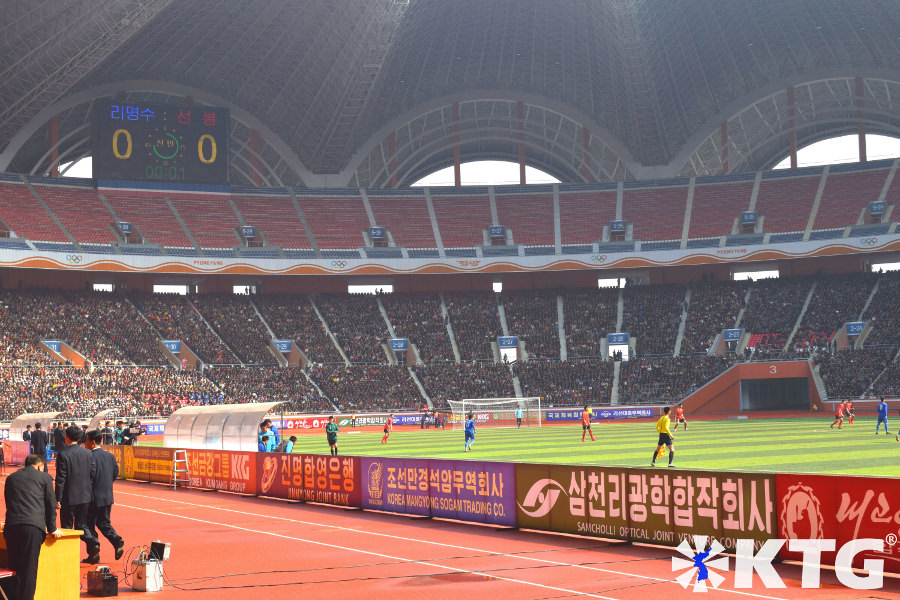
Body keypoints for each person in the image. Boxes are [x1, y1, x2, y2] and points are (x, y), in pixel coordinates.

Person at [3, 454, 62, 600]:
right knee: (29, 569)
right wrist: (53, 528)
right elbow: (50, 504)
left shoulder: (11, 478)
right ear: (40, 466)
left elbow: (8, 501)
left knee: (14, 567)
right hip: (32, 527)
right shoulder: (45, 478)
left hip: (11, 527)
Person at [55, 426, 98, 557]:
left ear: (66, 437)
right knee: (82, 524)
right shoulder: (88, 453)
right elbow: (92, 474)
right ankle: (93, 543)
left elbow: (60, 478)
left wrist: (58, 498)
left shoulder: (63, 454)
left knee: (67, 526)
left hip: (68, 496)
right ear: (80, 438)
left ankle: (68, 555)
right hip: (85, 495)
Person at [84, 430, 125, 563]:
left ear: (93, 442)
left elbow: (88, 478)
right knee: (103, 523)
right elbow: (115, 473)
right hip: (107, 496)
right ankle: (116, 540)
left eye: (86, 441)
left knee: (88, 525)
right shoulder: (110, 456)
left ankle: (94, 549)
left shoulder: (89, 457)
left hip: (92, 497)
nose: (85, 444)